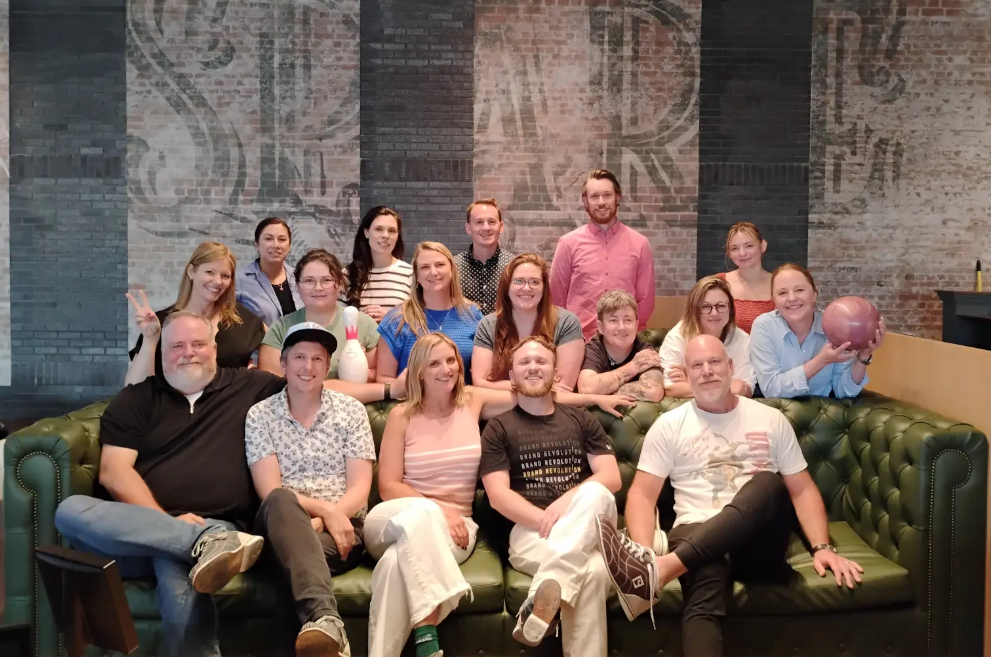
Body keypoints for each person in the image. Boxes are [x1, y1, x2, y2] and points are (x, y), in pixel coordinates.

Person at [596, 335, 865, 657]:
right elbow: (641, 495)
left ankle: (667, 569)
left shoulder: (770, 419)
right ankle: (660, 568)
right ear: (686, 373)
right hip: (696, 531)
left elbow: (802, 488)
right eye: (697, 365)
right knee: (702, 601)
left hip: (758, 544)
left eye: (714, 362)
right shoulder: (669, 426)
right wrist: (643, 554)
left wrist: (822, 547)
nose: (707, 371)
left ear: (730, 367)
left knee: (767, 482)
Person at [54, 311, 286, 657]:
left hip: (216, 520)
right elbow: (114, 472)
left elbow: (308, 383)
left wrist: (387, 387)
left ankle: (202, 544)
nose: (188, 352)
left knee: (179, 572)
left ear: (214, 347)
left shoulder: (249, 387)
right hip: (139, 530)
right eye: (177, 346)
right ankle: (204, 543)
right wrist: (169, 524)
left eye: (197, 344)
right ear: (162, 352)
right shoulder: (137, 398)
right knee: (69, 510)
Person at [480, 336, 623, 655]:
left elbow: (611, 477)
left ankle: (538, 605)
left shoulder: (582, 420)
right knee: (595, 571)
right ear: (512, 377)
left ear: (556, 373)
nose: (533, 367)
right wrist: (550, 521)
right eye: (524, 363)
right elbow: (498, 496)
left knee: (597, 492)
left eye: (541, 361)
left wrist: (563, 508)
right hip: (531, 531)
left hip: (589, 522)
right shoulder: (498, 428)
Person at [246, 322, 377, 657]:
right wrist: (324, 513)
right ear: (283, 364)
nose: (308, 367)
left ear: (327, 365)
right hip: (285, 521)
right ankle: (326, 620)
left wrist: (329, 519)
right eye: (300, 357)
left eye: (318, 359)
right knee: (281, 501)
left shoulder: (351, 411)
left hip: (343, 530)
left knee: (285, 563)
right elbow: (270, 492)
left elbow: (360, 489)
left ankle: (325, 628)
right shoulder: (260, 416)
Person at [126, 241, 265, 385]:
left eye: (225, 276)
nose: (218, 281)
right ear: (191, 271)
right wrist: (150, 340)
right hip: (173, 406)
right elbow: (134, 388)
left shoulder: (244, 321)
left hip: (230, 406)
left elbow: (276, 342)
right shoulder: (160, 323)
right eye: (209, 272)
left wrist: (254, 376)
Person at [749, 264, 885, 398]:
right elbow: (772, 390)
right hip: (777, 414)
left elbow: (844, 391)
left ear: (814, 294)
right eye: (782, 293)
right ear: (774, 300)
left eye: (799, 290)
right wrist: (822, 360)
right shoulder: (764, 326)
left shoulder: (836, 324)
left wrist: (864, 355)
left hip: (822, 415)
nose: (791, 298)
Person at [550, 170, 655, 340]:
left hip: (624, 342)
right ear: (585, 200)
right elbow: (556, 298)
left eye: (607, 195)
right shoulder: (568, 244)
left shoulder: (640, 244)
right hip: (579, 341)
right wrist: (566, 336)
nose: (601, 202)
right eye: (594, 196)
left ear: (617, 198)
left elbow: (645, 299)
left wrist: (628, 335)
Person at [259, 248, 379, 381]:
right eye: (309, 281)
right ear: (297, 287)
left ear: (339, 284)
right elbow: (269, 383)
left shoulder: (364, 324)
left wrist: (354, 370)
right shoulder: (281, 329)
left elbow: (380, 376)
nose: (318, 287)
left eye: (326, 280)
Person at [471, 253, 584, 391]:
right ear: (507, 286)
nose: (526, 288)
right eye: (519, 281)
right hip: (500, 408)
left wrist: (502, 386)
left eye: (534, 282)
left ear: (544, 288)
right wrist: (533, 386)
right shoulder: (488, 325)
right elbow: (480, 383)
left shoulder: (567, 322)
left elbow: (563, 388)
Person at [377, 241, 484, 385]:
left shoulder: (473, 315)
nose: (433, 272)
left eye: (440, 265)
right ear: (417, 276)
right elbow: (384, 377)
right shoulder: (397, 319)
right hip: (411, 403)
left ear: (452, 270)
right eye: (425, 267)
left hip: (462, 403)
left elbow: (482, 374)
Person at [659, 276, 755, 399]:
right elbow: (671, 388)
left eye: (721, 306)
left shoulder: (742, 339)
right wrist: (725, 385)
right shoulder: (677, 336)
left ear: (730, 308)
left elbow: (743, 389)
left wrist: (689, 382)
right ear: (694, 310)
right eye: (705, 306)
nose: (714, 313)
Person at [576, 290, 665, 402]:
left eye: (628, 320)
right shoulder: (593, 349)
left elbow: (654, 391)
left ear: (636, 325)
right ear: (600, 327)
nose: (622, 327)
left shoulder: (645, 351)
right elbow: (586, 388)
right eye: (613, 320)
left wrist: (603, 391)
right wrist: (633, 367)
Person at [345, 206, 415, 322]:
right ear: (366, 232)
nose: (385, 235)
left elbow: (420, 319)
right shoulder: (346, 275)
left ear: (397, 236)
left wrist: (390, 318)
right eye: (379, 229)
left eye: (392, 231)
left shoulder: (410, 274)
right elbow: (337, 320)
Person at [237, 217, 303, 328]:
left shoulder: (299, 277)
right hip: (261, 345)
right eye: (268, 239)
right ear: (257, 244)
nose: (276, 245)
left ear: (289, 246)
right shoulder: (239, 280)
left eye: (282, 239)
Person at [453, 198, 515, 315]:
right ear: (468, 228)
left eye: (491, 222)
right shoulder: (453, 267)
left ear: (501, 227)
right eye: (479, 222)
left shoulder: (513, 266)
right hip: (466, 333)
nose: (486, 227)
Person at [715, 222, 775, 334]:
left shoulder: (779, 284)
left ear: (763, 246)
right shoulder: (718, 284)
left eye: (749, 246)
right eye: (734, 248)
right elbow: (693, 322)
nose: (742, 253)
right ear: (729, 253)